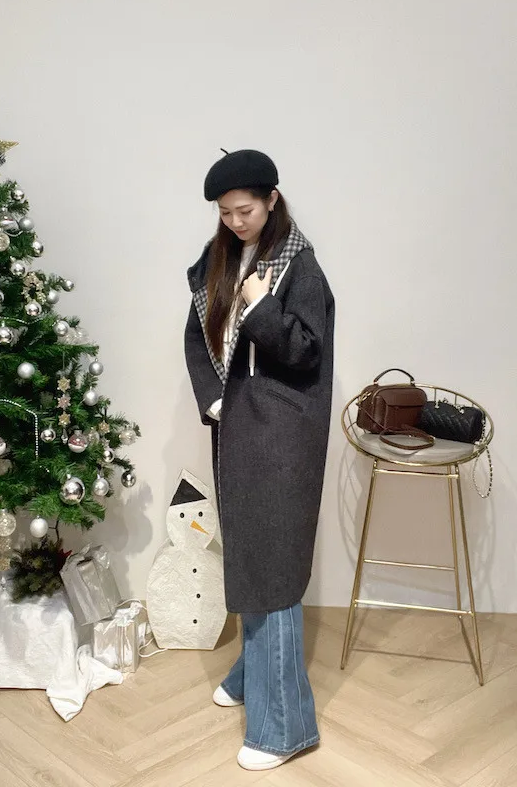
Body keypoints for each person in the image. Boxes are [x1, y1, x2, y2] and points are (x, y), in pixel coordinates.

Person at [184, 149, 335, 771]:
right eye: (225, 212)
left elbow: (304, 352)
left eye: (245, 209)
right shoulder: (219, 258)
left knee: (272, 563)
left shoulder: (300, 265)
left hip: (282, 432)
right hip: (238, 424)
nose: (235, 221)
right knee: (250, 550)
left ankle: (285, 728)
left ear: (272, 199)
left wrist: (259, 305)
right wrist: (215, 399)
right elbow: (197, 337)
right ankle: (253, 674)